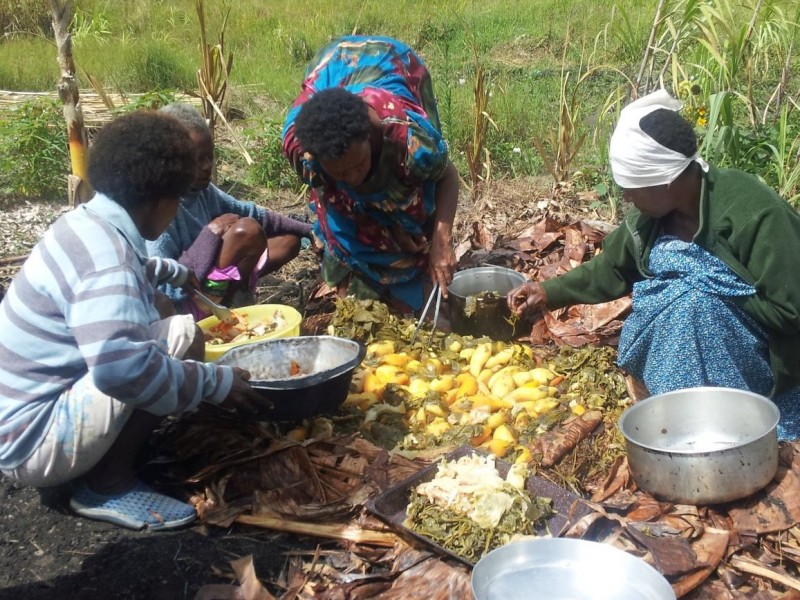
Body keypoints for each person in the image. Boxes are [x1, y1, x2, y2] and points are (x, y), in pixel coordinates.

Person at [0, 111, 263, 530]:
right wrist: (216, 383)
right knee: (166, 348)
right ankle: (107, 483)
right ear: (161, 201)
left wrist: (171, 270)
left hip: (27, 409)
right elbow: (120, 369)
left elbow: (125, 270)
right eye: (177, 201)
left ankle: (110, 456)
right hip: (33, 441)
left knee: (177, 332)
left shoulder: (86, 223)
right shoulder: (109, 263)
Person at [507, 89, 800, 439]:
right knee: (687, 299)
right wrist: (547, 291)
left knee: (693, 303)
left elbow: (790, 310)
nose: (627, 198)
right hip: (684, 349)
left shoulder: (754, 215)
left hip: (759, 357)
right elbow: (614, 267)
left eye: (632, 188)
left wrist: (713, 285)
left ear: (668, 180)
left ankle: (726, 416)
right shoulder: (652, 220)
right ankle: (678, 399)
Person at [282, 35, 459, 313]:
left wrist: (441, 240)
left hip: (389, 61)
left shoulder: (412, 143)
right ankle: (358, 264)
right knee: (344, 222)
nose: (352, 177)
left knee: (417, 205)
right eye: (340, 171)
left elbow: (447, 176)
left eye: (358, 163)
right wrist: (387, 227)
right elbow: (333, 197)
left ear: (369, 136)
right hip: (331, 71)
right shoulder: (301, 149)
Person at [147, 103, 313, 320]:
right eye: (198, 160)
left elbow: (255, 213)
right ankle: (213, 311)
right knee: (248, 232)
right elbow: (164, 289)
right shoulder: (160, 208)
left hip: (213, 275)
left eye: (210, 157)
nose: (207, 167)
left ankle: (229, 300)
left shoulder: (203, 191)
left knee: (288, 241)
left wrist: (310, 230)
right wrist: (211, 233)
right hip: (183, 301)